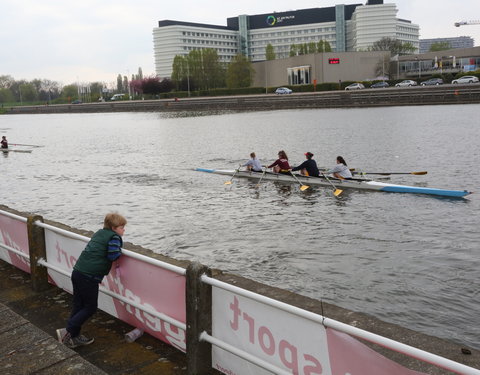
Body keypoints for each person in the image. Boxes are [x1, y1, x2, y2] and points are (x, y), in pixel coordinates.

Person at [56, 213, 127, 348]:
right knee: (90, 307)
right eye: (122, 227)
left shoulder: (99, 233)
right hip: (89, 277)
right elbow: (113, 255)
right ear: (113, 227)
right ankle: (68, 331)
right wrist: (120, 252)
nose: (124, 230)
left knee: (78, 305)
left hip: (78, 272)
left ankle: (73, 337)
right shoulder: (114, 237)